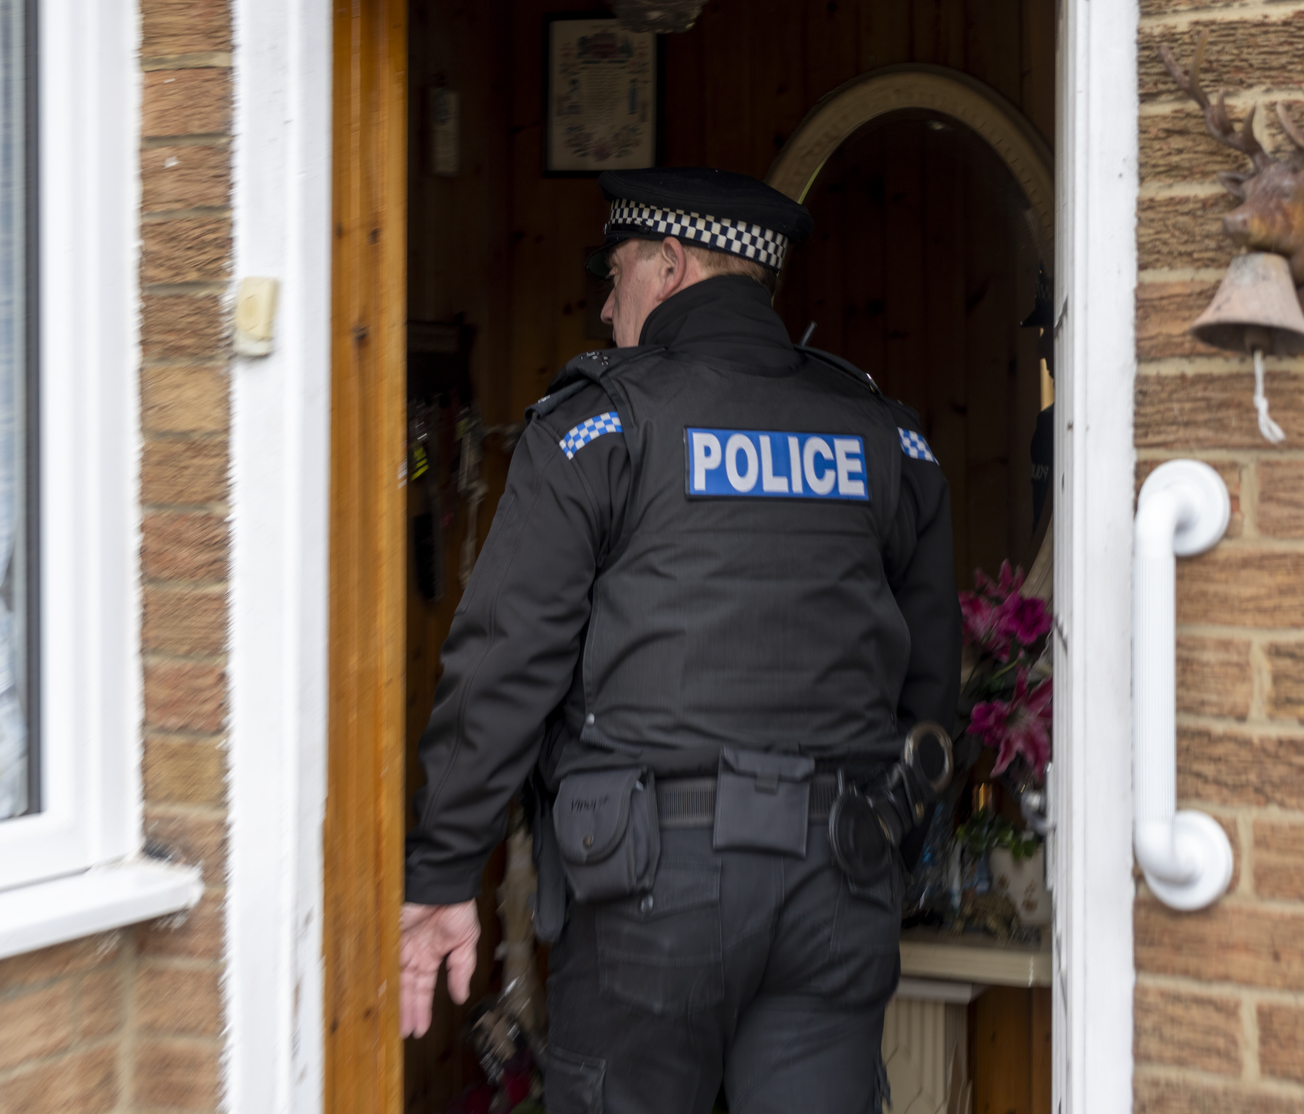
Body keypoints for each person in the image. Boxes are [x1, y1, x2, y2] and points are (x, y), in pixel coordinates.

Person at [399, 166, 961, 1114]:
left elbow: (506, 658)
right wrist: (882, 843)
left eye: (615, 273)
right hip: (839, 878)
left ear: (668, 268)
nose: (607, 301)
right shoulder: (883, 436)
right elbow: (929, 684)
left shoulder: (599, 426)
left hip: (650, 887)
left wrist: (444, 868)